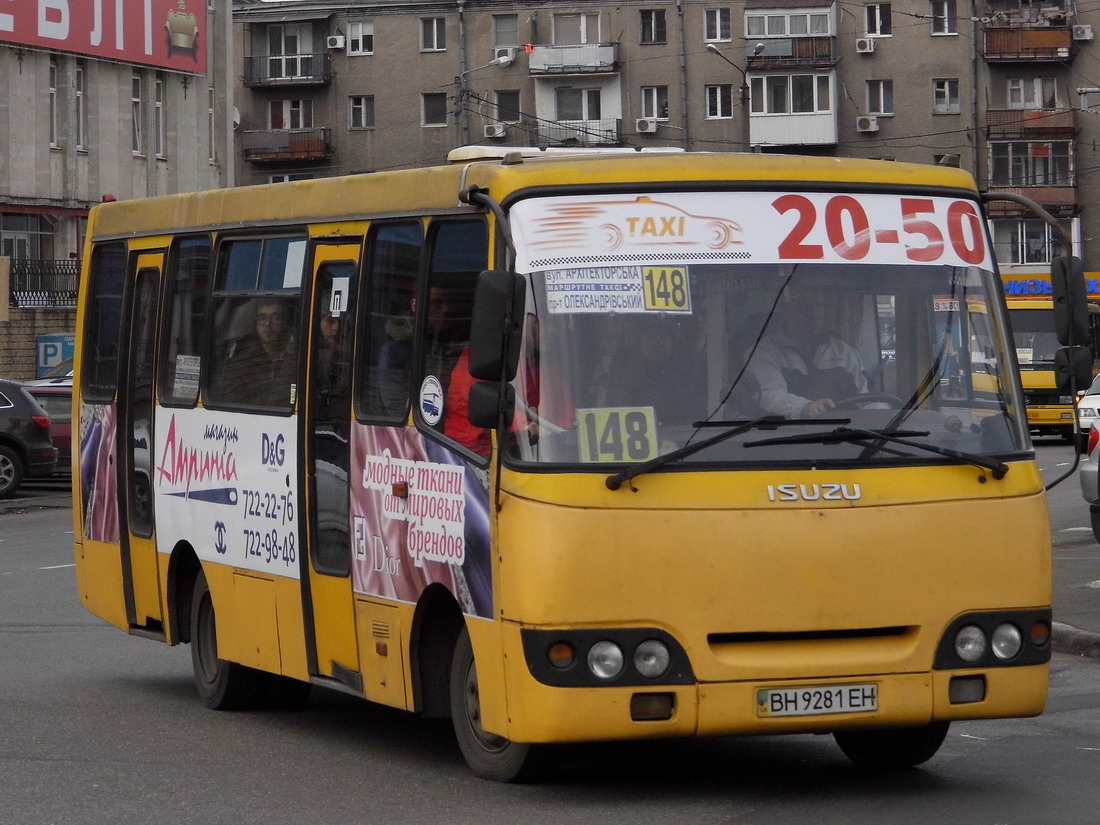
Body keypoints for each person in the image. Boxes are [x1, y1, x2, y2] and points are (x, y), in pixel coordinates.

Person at [746, 286, 869, 419]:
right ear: (784, 311)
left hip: (848, 435)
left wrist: (884, 413)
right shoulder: (762, 352)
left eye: (819, 306)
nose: (813, 315)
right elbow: (768, 394)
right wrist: (804, 408)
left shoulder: (844, 352)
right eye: (802, 307)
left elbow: (867, 400)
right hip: (784, 436)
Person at [222, 298, 298, 407]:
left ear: (284, 321)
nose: (268, 324)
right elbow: (229, 398)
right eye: (262, 318)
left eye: (275, 317)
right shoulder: (243, 360)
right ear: (256, 322)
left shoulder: (296, 355)